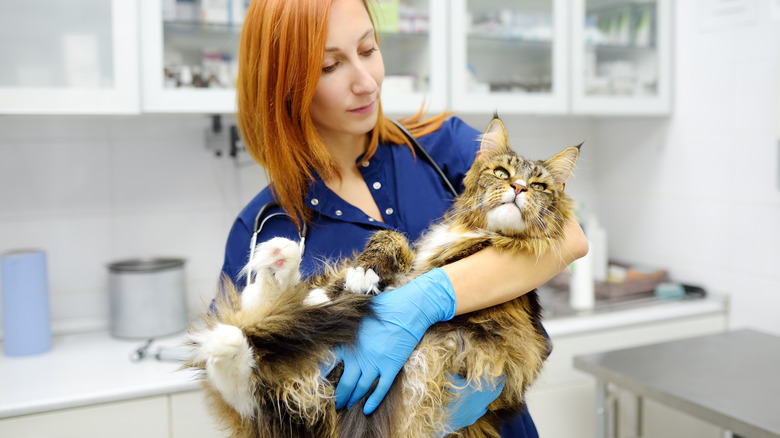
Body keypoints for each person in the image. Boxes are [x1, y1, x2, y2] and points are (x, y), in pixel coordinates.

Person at [220, 0, 589, 435]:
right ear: (281, 87)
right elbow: (250, 405)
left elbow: (568, 238)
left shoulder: (442, 149)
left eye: (369, 50)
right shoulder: (266, 230)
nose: (365, 82)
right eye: (329, 66)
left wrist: (425, 298)